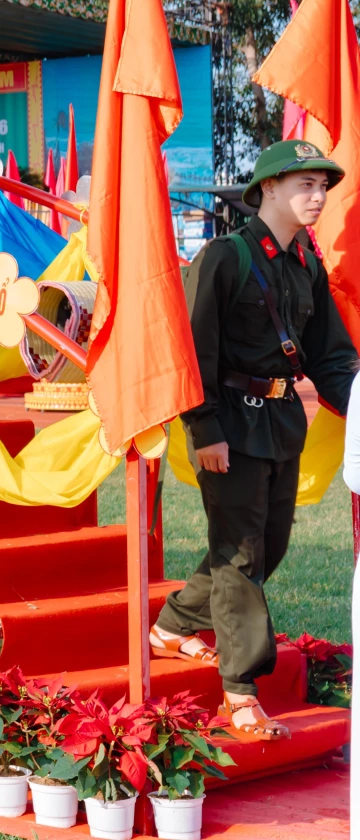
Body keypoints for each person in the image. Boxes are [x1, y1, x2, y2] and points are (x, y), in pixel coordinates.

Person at [153, 140, 358, 742]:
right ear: (268, 188)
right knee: (240, 553)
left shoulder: (305, 265)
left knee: (266, 547)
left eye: (323, 186)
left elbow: (330, 355)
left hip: (278, 422)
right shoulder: (226, 256)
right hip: (228, 424)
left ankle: (170, 624)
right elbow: (194, 349)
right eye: (305, 185)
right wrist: (204, 428)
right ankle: (239, 692)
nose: (318, 196)